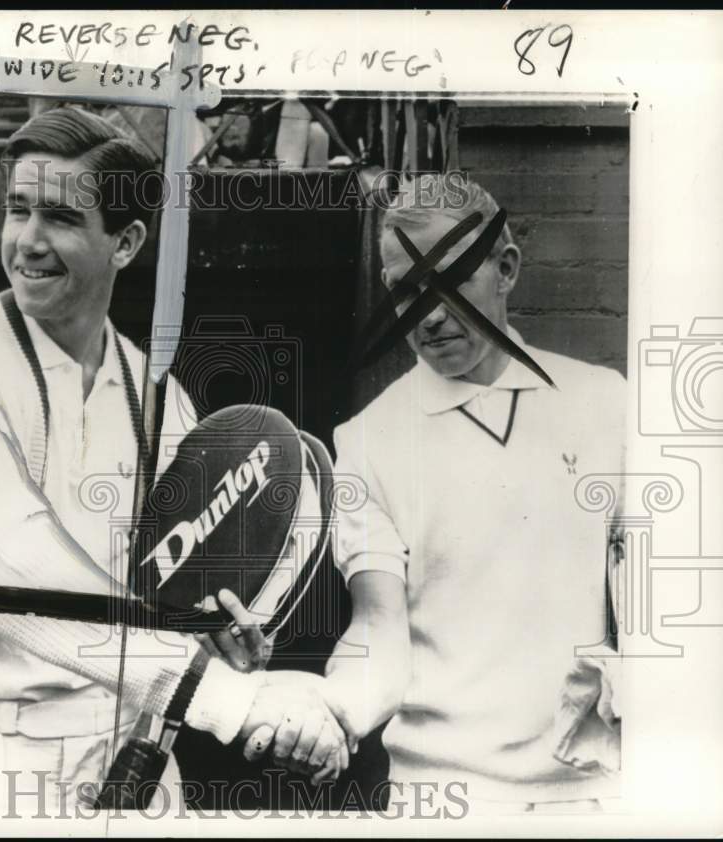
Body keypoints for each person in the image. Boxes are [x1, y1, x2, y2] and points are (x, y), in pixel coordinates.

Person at [0, 106, 351, 818]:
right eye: (18, 210)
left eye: (61, 218)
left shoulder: (158, 398)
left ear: (127, 241)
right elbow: (13, 573)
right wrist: (231, 699)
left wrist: (223, 634)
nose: (28, 242)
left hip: (131, 762)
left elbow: (182, 590)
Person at [254, 175, 625, 813]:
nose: (429, 314)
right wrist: (332, 711)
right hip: (439, 799)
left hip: (591, 796)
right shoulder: (367, 441)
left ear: (505, 269)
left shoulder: (607, 404)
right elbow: (379, 625)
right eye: (405, 289)